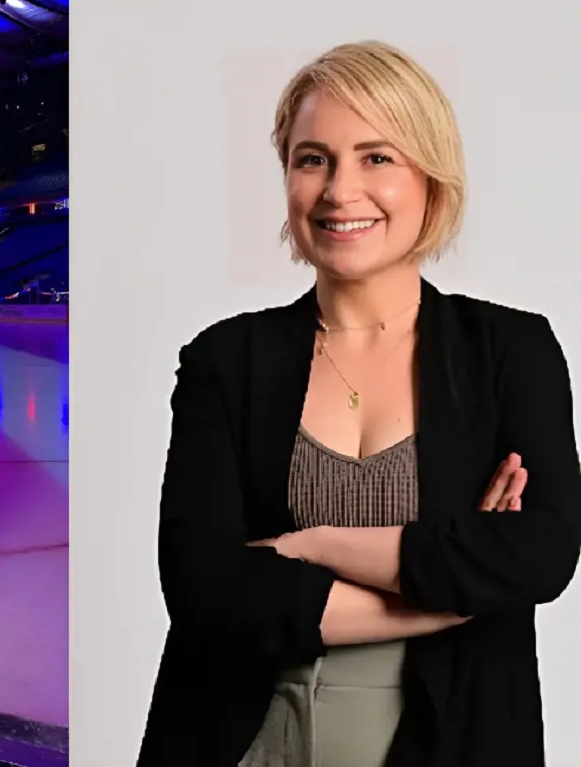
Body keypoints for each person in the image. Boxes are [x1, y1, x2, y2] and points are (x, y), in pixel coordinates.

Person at [137, 40, 581, 767]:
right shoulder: (226, 360)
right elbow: (204, 589)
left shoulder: (510, 350)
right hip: (245, 741)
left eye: (377, 157)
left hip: (451, 739)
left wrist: (312, 545)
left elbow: (543, 554)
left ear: (430, 181)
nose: (341, 189)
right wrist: (454, 592)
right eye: (314, 159)